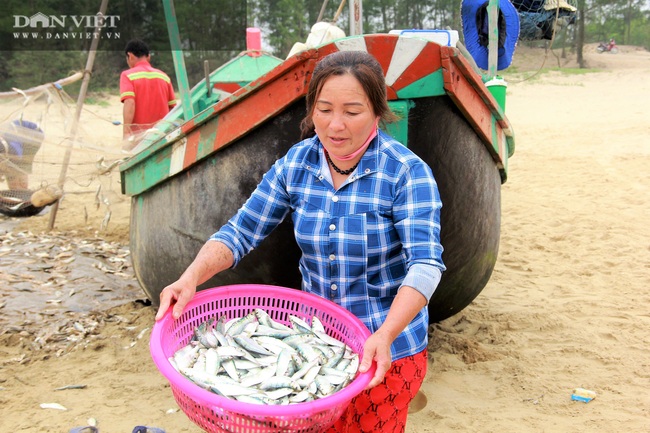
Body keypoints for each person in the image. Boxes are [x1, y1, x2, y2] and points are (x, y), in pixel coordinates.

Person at [155, 50, 445, 432]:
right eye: (324, 110)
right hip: (318, 345)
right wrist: (191, 277)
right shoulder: (298, 163)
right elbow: (241, 230)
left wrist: (386, 333)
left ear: (378, 111)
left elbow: (425, 265)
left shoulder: (407, 173)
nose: (336, 125)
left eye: (352, 111)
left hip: (387, 349)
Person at [120, 39, 176, 148]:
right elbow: (173, 109)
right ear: (148, 57)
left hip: (138, 140)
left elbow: (130, 102)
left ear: (130, 56)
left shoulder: (127, 75)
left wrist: (126, 133)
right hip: (162, 136)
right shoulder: (164, 76)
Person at [0, 119, 45, 190]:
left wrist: (8, 170)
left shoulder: (14, 150)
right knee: (10, 173)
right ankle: (14, 192)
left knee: (20, 169)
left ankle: (23, 191)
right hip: (13, 134)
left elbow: (19, 160)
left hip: (33, 134)